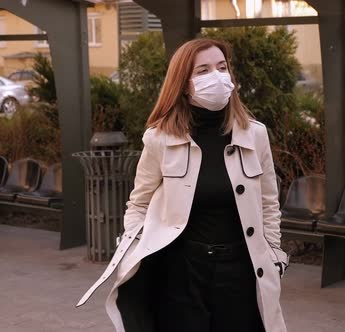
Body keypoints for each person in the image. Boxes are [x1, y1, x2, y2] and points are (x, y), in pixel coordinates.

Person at [76, 38, 289, 332]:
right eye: (202, 71)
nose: (216, 76)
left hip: (241, 270)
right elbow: (139, 202)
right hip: (182, 271)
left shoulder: (255, 134)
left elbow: (268, 202)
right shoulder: (160, 138)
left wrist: (275, 256)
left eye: (221, 67)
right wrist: (134, 249)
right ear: (184, 83)